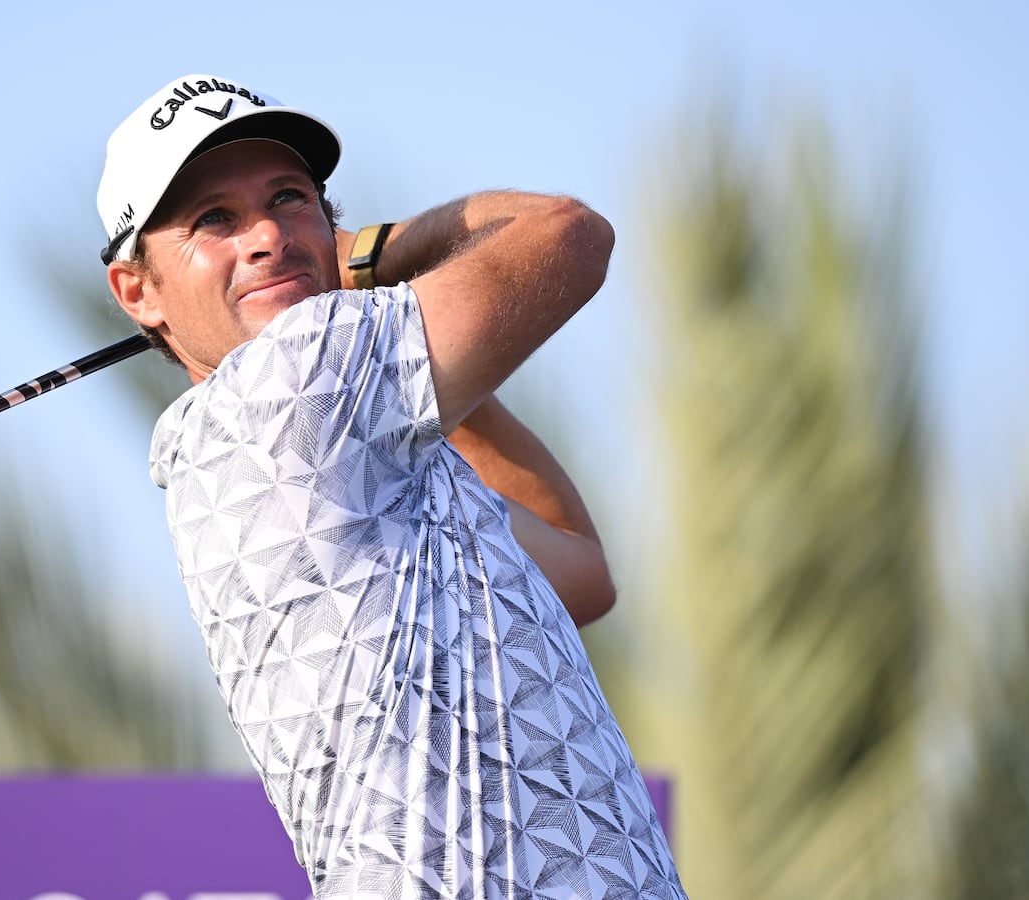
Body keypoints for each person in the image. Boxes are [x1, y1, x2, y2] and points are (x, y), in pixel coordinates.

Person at [98, 73, 686, 899]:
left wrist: (431, 382)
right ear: (138, 291)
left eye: (290, 199)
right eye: (214, 221)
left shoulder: (351, 449)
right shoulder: (296, 383)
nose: (267, 234)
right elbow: (566, 233)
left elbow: (581, 574)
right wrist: (369, 257)